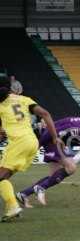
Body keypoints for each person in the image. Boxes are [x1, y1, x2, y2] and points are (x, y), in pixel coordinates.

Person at [17, 116, 80, 206]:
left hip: (58, 143)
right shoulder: (78, 129)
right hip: (51, 139)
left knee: (53, 176)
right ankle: (40, 187)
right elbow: (51, 132)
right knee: (71, 167)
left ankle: (23, 194)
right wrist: (37, 146)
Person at [0, 75, 58, 221]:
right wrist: (54, 137)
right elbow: (45, 114)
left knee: (0, 177)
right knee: (4, 177)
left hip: (19, 142)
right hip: (32, 142)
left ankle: (13, 207)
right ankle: (11, 206)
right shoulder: (24, 99)